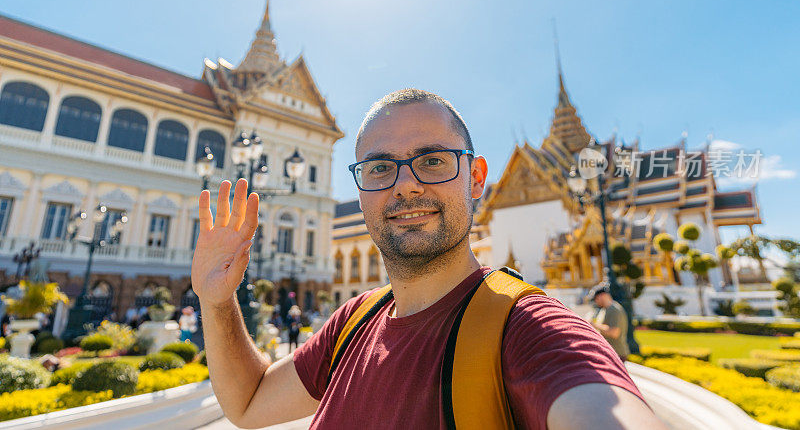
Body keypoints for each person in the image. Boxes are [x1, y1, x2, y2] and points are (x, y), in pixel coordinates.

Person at [192, 89, 667, 429]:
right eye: (379, 168)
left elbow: (599, 404)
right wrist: (216, 302)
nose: (405, 185)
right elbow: (249, 406)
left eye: (433, 160)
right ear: (359, 193)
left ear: (476, 178)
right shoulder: (354, 322)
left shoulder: (524, 329)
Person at [588, 284, 630, 361]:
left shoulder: (614, 310)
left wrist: (594, 325)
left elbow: (615, 333)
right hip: (610, 353)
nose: (595, 302)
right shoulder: (605, 309)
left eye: (596, 299)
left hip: (617, 354)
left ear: (602, 296)